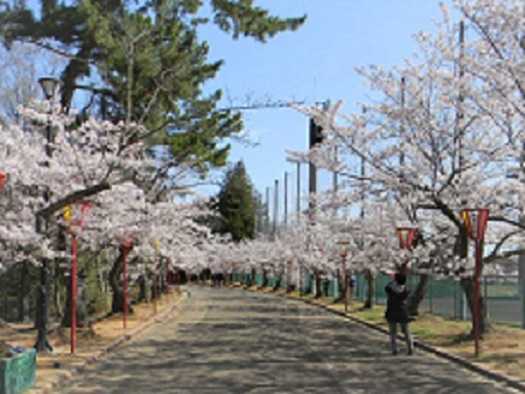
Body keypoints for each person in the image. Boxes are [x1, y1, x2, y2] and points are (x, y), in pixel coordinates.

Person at [385, 272, 413, 355]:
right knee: (406, 331)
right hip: (402, 311)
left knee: (393, 332)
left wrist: (392, 281)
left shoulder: (390, 289)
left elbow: (387, 287)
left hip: (392, 311)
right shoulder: (406, 290)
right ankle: (410, 348)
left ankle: (394, 349)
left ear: (395, 280)